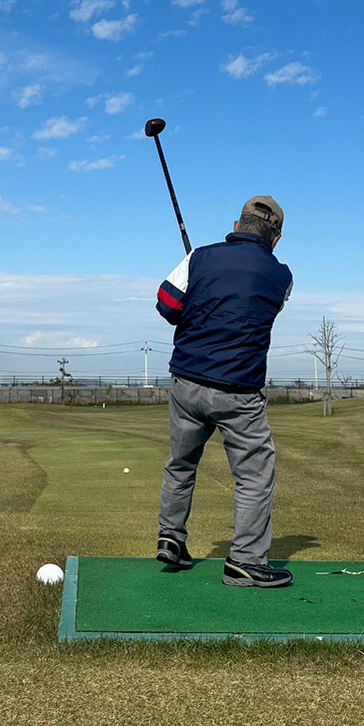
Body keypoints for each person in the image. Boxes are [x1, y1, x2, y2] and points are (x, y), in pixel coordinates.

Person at [154, 196, 294, 588]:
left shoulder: (199, 257)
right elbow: (260, 308)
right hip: (238, 392)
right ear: (276, 238)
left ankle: (171, 538)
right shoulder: (282, 276)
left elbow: (166, 305)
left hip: (186, 382)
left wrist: (199, 293)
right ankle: (246, 561)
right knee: (254, 475)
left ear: (238, 223)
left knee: (181, 464)